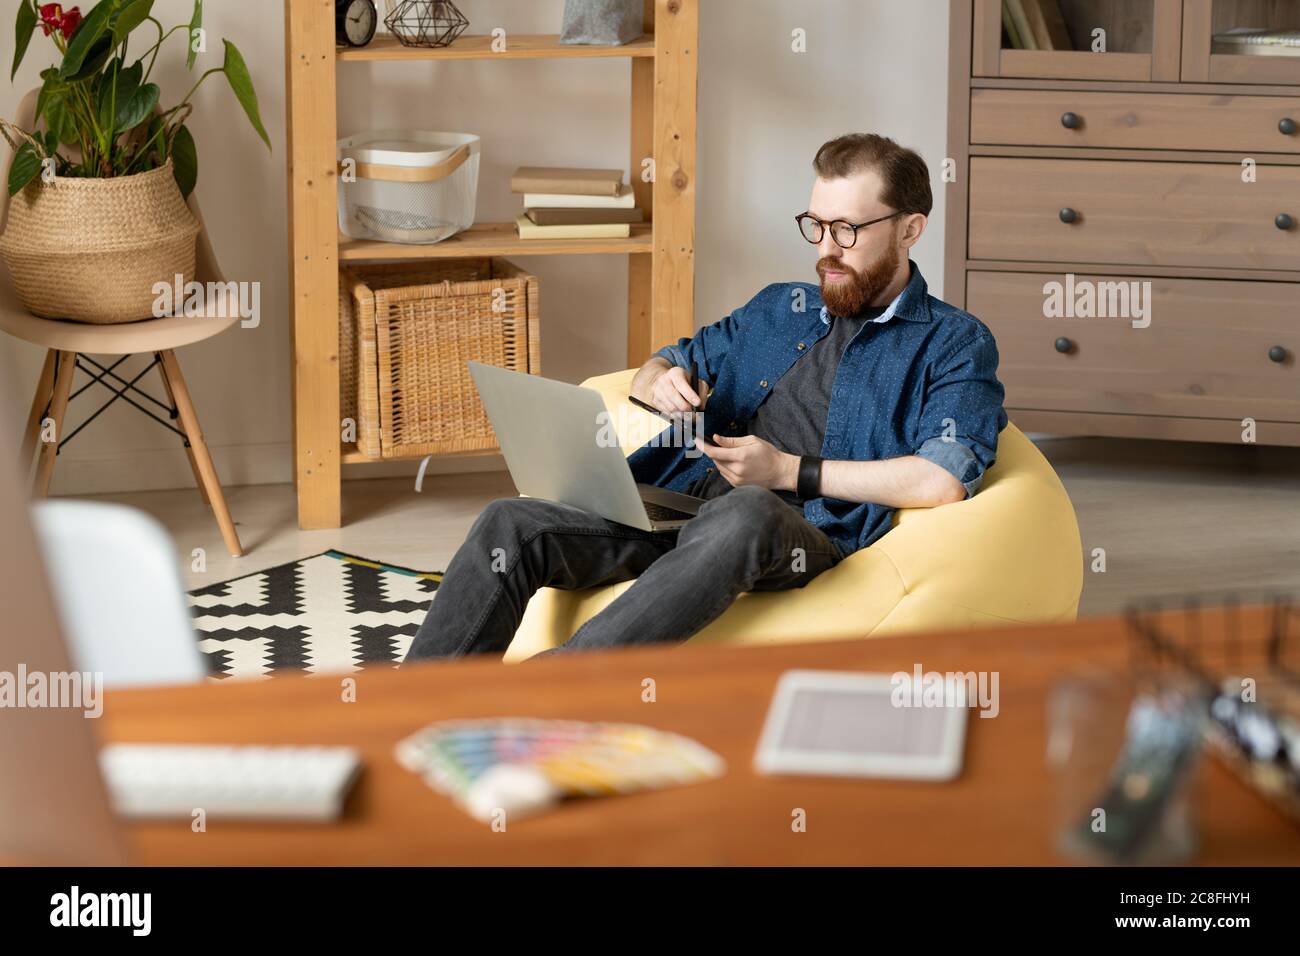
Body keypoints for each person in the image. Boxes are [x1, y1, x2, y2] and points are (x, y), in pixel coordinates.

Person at [405, 133, 1007, 661]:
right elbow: (666, 361)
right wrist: (658, 379)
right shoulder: (780, 306)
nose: (826, 248)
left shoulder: (954, 342)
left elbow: (942, 479)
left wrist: (790, 472)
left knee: (746, 510)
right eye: (816, 226)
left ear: (910, 229)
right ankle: (409, 709)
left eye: (847, 229)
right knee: (510, 521)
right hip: (679, 506)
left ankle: (560, 684)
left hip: (794, 529)